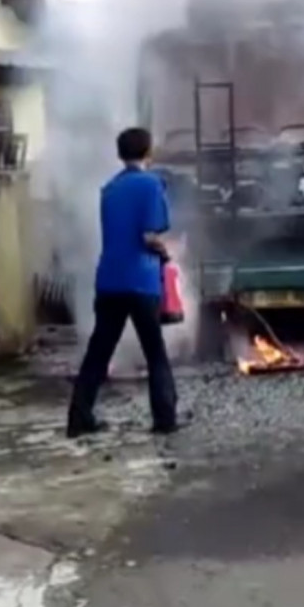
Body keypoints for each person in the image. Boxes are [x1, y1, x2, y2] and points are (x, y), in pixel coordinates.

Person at [67, 127, 190, 438]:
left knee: (99, 351)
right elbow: (150, 235)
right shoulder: (151, 184)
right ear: (149, 152)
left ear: (121, 154)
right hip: (140, 282)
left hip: (109, 281)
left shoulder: (109, 188)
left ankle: (78, 419)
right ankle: (165, 420)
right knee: (155, 353)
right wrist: (166, 251)